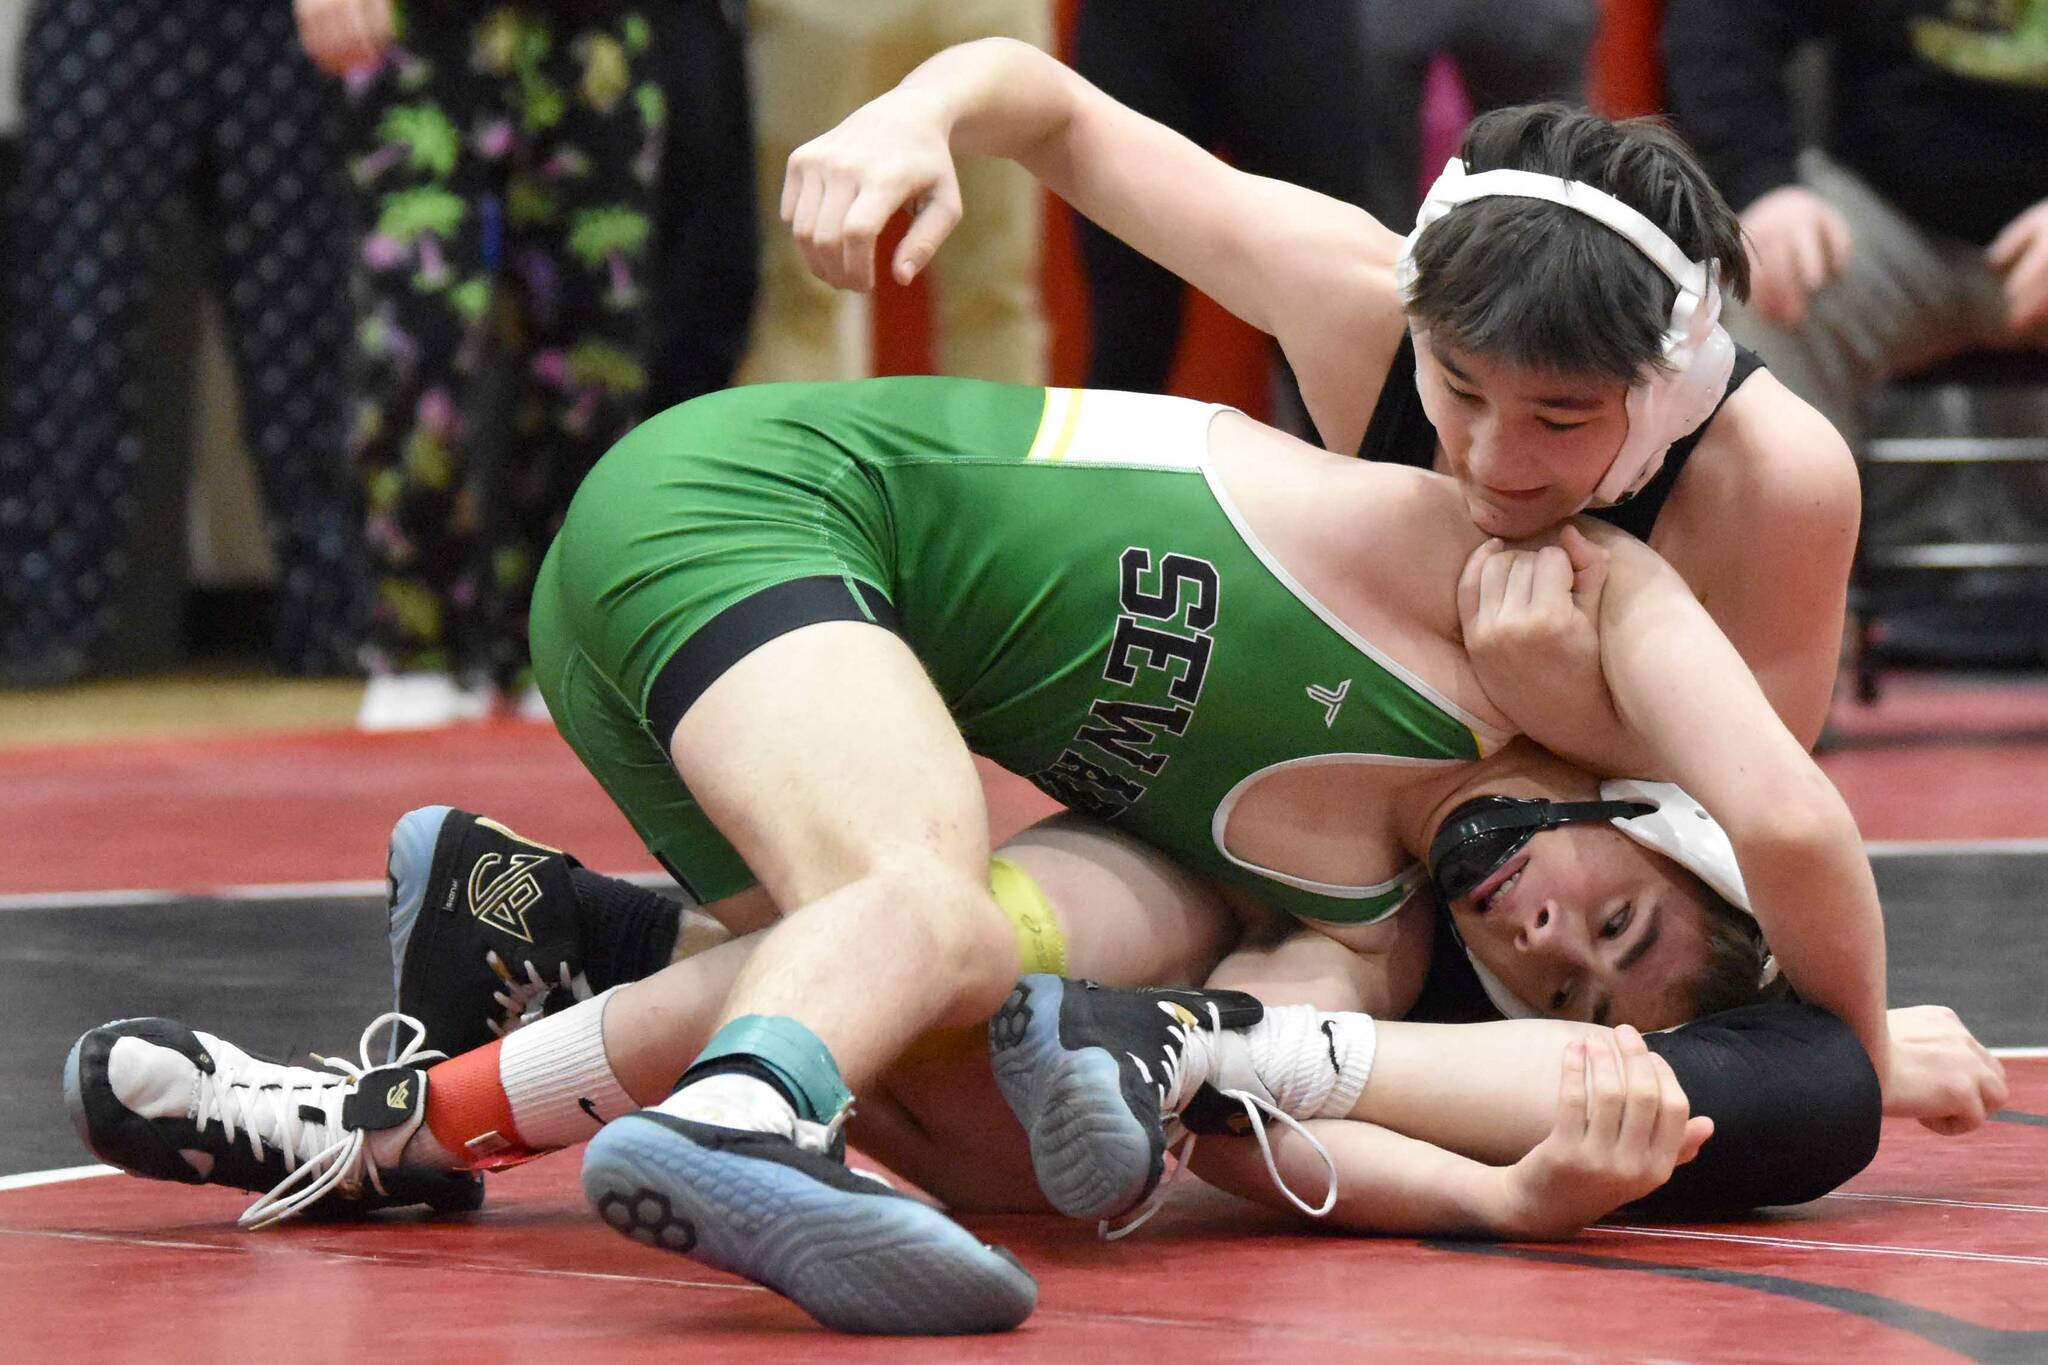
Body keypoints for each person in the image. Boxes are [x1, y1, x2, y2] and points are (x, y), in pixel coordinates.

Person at [76, 360, 1901, 1338]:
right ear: (1642, 825)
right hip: (754, 500)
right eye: (1623, 921)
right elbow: (1778, 784)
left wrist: (1508, 1196)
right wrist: (964, 98)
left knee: (982, 1107)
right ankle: (722, 1099)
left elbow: (1248, 1128)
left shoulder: (1321, 924)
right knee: (927, 906)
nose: (1555, 941)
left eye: (1566, 985)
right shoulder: (1496, 574)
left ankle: (426, 1088)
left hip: (737, 640)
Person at [781, 40, 1860, 755]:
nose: (1489, 458)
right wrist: (913, 111)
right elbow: (1056, 113)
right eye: (1458, 389)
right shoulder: (1355, 304)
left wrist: (1560, 705)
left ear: (1666, 390)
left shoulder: (1773, 477)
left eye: (1559, 419)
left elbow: (1755, 812)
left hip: (1573, 868)